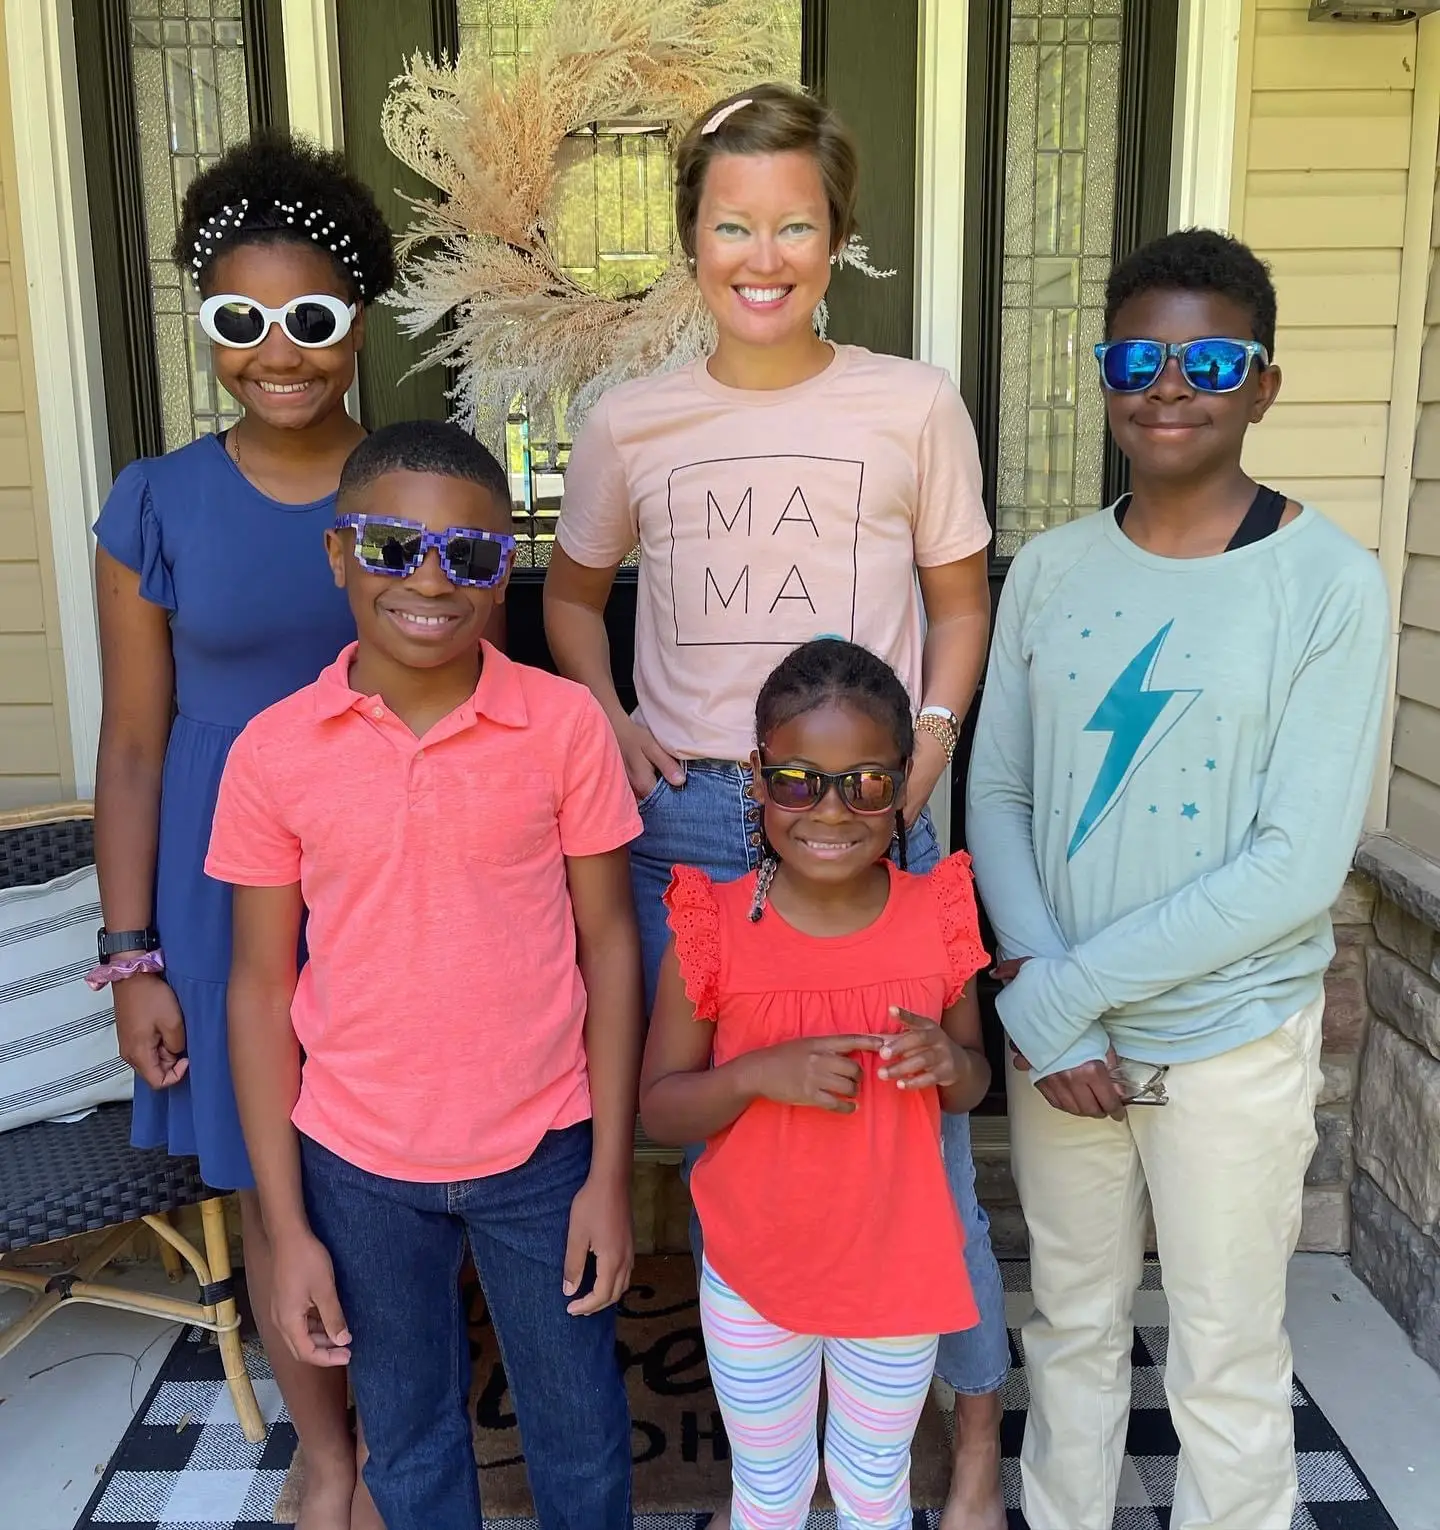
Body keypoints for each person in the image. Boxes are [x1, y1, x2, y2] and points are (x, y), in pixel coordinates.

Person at [544, 83, 1008, 1528]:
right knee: (706, 1117)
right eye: (732, 223)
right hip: (694, 821)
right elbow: (570, 597)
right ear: (691, 239)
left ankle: (966, 1436)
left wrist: (928, 745)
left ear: (838, 236)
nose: (764, 253)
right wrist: (613, 721)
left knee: (922, 1132)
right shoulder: (630, 417)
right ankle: (755, 1401)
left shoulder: (910, 402)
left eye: (794, 223)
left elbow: (957, 596)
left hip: (871, 808)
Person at [966, 229, 1390, 1530]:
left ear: (1264, 383)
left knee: (1225, 1354)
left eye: (1209, 358)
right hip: (1069, 1046)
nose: (1167, 384)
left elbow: (1295, 865)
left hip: (1228, 1041)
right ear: (1103, 376)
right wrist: (1054, 1000)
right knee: (1074, 1328)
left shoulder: (1329, 584)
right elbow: (1002, 795)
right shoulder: (1048, 569)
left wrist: (1053, 997)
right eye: (1135, 356)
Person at [205, 420, 642, 1530]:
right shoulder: (274, 749)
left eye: (472, 555)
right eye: (394, 547)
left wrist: (607, 1173)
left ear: (507, 572)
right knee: (404, 1435)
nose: (432, 582)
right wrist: (289, 1222)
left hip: (544, 1152)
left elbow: (610, 946)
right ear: (339, 554)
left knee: (580, 1433)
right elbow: (259, 988)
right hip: (356, 1162)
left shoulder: (563, 725)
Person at [91, 133, 400, 1529]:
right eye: (240, 321)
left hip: (396, 881)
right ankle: (327, 1461)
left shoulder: (412, 497)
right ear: (206, 329)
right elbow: (136, 741)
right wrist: (131, 951)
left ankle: (407, 1446)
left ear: (357, 325)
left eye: (312, 319)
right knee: (280, 1194)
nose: (279, 352)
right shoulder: (154, 501)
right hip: (225, 905)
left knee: (400, 1180)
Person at [639, 638, 992, 1530]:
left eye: (867, 783)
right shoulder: (710, 925)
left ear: (905, 782)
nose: (831, 810)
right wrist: (759, 1073)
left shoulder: (939, 914)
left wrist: (949, 1065)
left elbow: (972, 1086)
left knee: (876, 1487)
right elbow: (661, 1103)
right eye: (798, 779)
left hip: (896, 1272)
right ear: (757, 777)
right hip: (756, 1273)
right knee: (768, 1490)